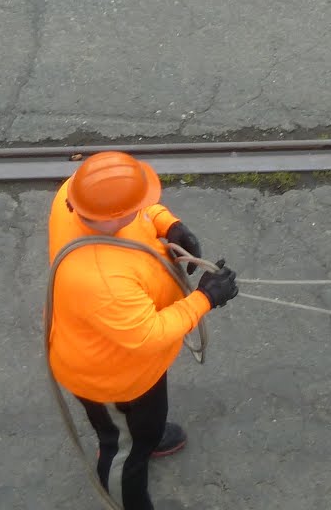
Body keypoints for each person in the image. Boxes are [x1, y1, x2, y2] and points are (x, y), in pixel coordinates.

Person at [47, 151, 240, 510]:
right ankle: (130, 490)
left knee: (146, 422)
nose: (145, 208)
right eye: (138, 206)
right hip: (114, 380)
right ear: (117, 215)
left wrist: (169, 225)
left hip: (137, 368)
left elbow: (143, 211)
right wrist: (205, 299)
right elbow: (148, 334)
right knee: (121, 446)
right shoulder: (100, 280)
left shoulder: (76, 195)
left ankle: (146, 436)